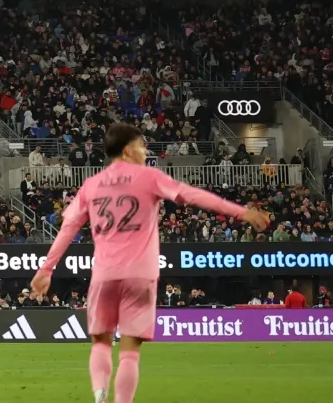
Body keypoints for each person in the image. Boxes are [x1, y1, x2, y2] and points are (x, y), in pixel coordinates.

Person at [30, 122, 272, 403]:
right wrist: (241, 212)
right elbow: (192, 195)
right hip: (140, 275)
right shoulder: (148, 177)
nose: (145, 151)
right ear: (128, 150)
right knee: (130, 351)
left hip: (104, 275)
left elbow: (68, 228)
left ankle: (100, 396)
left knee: (101, 343)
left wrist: (46, 269)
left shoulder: (91, 185)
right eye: (142, 146)